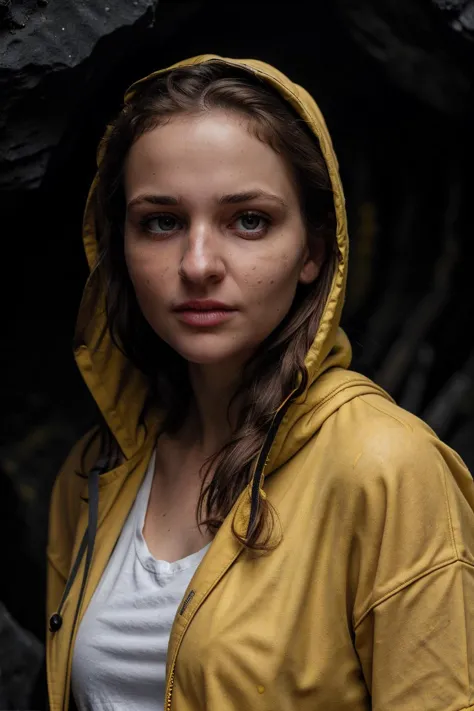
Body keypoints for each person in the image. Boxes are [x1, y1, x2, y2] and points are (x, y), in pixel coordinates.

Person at [45, 54, 474, 711]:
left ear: (313, 250)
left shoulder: (387, 468)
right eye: (160, 221)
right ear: (117, 245)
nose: (197, 264)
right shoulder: (92, 473)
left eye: (249, 220)